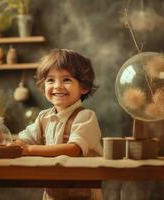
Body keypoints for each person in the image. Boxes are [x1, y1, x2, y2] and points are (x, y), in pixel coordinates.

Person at [15, 49, 103, 200]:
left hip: (83, 195)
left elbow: (73, 150)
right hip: (52, 195)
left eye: (67, 80)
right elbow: (22, 141)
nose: (58, 86)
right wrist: (10, 142)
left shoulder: (85, 116)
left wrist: (29, 149)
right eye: (51, 80)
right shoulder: (43, 117)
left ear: (84, 87)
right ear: (43, 87)